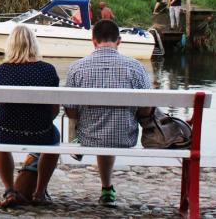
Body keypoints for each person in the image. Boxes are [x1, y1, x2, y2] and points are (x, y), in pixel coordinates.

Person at [65, 20, 151, 207]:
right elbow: (147, 108)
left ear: (93, 41)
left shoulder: (76, 68)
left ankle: (104, 185)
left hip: (88, 137)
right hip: (125, 137)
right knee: (112, 124)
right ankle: (107, 188)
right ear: (119, 41)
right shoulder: (136, 67)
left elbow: (70, 109)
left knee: (91, 122)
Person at [0, 25, 60, 207]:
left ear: (10, 46)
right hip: (41, 133)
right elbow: (54, 111)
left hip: (6, 133)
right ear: (34, 45)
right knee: (55, 137)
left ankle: (10, 190)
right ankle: (39, 192)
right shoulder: (48, 70)